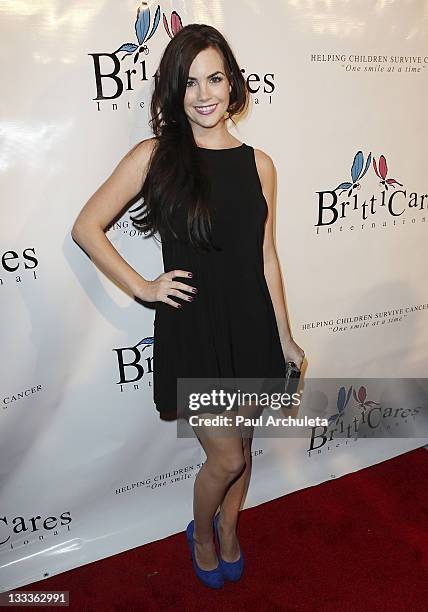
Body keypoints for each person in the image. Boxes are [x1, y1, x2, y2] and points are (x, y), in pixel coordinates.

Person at [71, 23, 305, 589]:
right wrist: (143, 286)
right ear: (174, 91)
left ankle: (229, 530)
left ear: (232, 83)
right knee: (223, 459)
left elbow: (265, 259)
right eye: (190, 82)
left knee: (243, 449)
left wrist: (287, 337)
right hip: (196, 327)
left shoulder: (261, 164)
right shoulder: (156, 156)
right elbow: (86, 227)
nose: (204, 94)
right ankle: (200, 533)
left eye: (215, 78)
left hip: (250, 324)